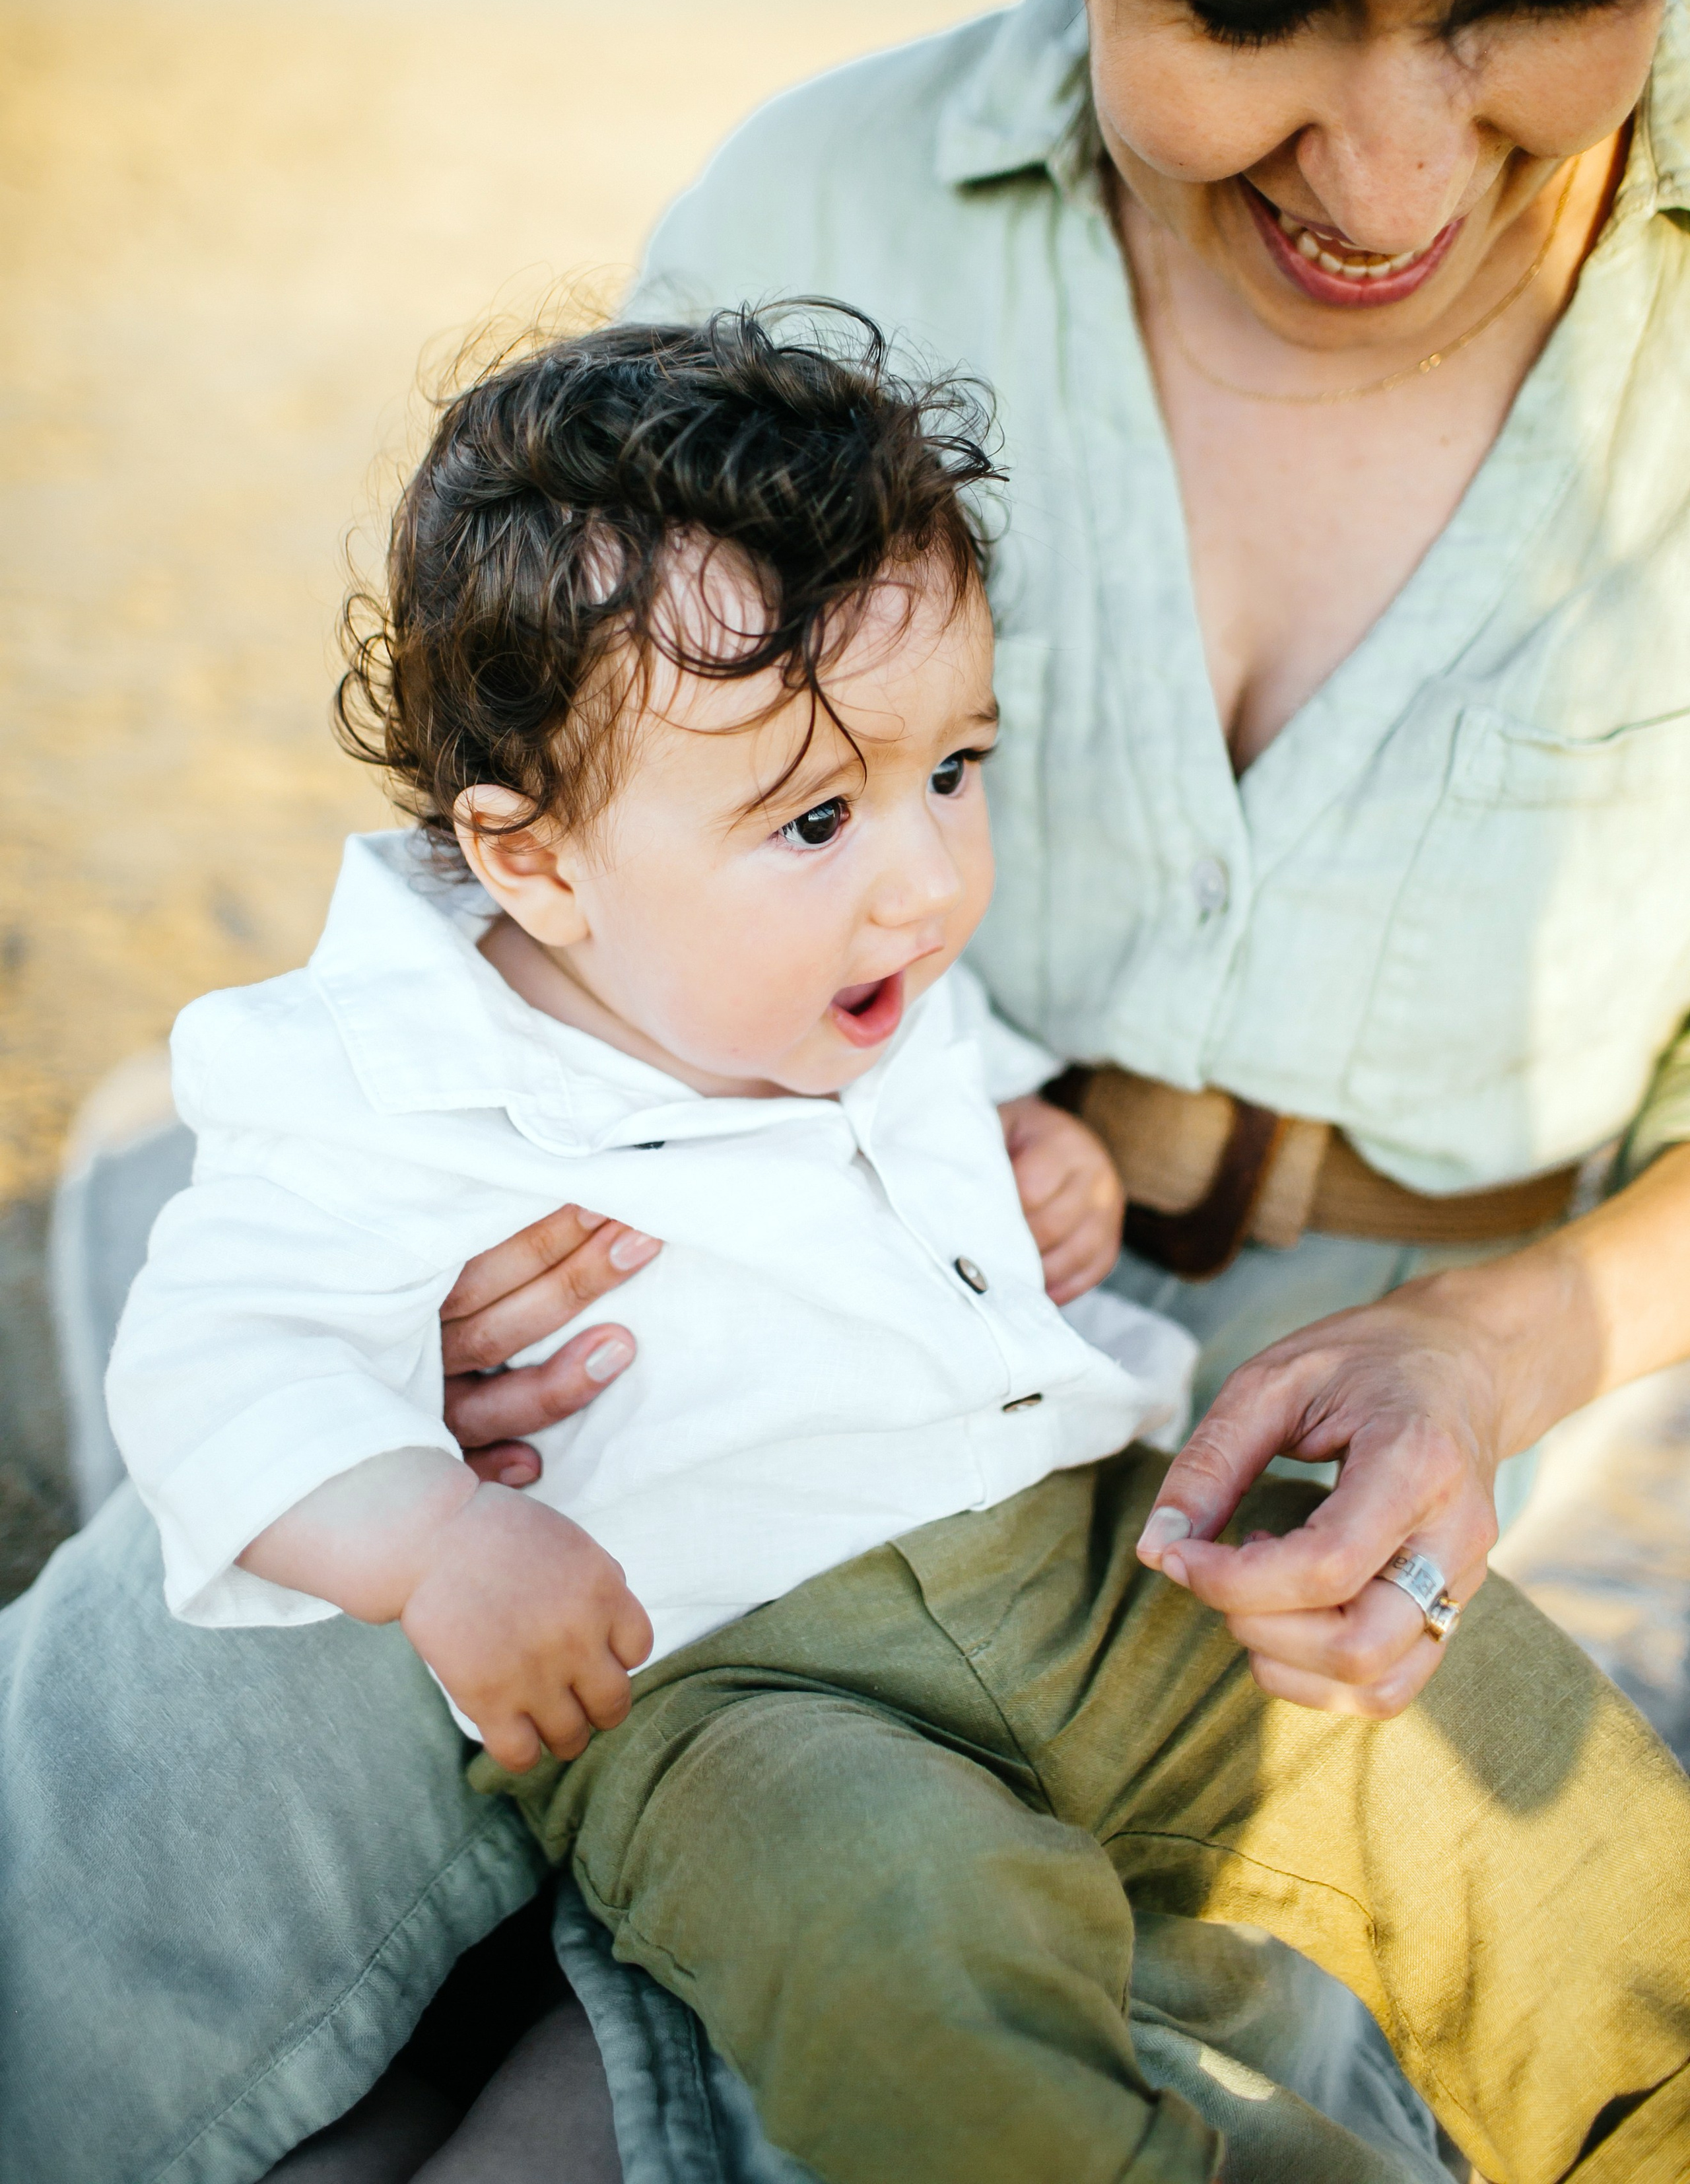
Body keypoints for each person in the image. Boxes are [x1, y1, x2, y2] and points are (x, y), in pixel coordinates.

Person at [8, 0, 1690, 2175]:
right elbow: (593, 769)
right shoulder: (818, 221)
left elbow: (921, 1000)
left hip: (1189, 1434)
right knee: (176, 1740)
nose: (1400, 163)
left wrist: (1481, 1332)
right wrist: (416, 1490)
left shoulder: (915, 981)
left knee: (1465, 1829)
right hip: (635, 1543)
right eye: (1250, 6)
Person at [99, 304, 1690, 2184]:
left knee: (1462, 1725)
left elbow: (970, 1104)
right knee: (900, 1971)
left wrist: (1038, 1164)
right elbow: (213, 1362)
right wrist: (434, 1535)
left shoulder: (864, 971)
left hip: (1086, 1553)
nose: (929, 876)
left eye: (958, 768)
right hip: (745, 1694)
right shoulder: (372, 1073)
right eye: (821, 815)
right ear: (535, 862)